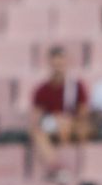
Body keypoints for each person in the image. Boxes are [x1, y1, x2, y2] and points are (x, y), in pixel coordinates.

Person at [30, 44, 91, 175]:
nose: (58, 67)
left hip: (73, 125)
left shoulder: (76, 86)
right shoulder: (42, 90)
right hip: (52, 126)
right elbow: (35, 118)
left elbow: (83, 112)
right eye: (55, 63)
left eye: (61, 63)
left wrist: (68, 120)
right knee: (37, 133)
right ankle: (55, 166)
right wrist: (54, 120)